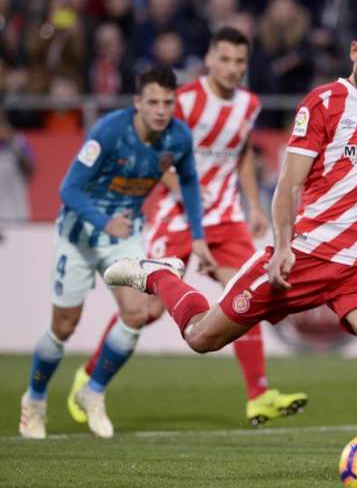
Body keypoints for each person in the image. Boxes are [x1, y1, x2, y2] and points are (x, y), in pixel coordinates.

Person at [105, 14, 357, 486]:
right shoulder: (323, 103)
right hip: (305, 255)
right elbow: (289, 184)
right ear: (355, 53)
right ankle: (157, 273)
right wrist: (281, 246)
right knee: (201, 336)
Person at [69, 27, 308, 429]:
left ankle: (258, 395)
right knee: (147, 311)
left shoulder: (248, 104)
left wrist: (252, 203)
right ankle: (90, 375)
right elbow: (156, 160)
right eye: (226, 59)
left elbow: (242, 154)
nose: (233, 68)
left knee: (245, 297)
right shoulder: (185, 102)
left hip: (228, 217)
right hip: (179, 217)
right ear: (209, 61)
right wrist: (191, 199)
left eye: (240, 62)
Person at [19, 66, 215, 440]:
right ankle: (34, 400)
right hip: (78, 235)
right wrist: (103, 222)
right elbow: (69, 189)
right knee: (63, 327)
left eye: (168, 103)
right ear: (137, 102)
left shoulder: (178, 136)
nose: (161, 110)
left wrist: (199, 235)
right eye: (153, 102)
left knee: (137, 313)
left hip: (123, 238)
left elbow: (188, 182)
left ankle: (92, 391)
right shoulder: (110, 130)